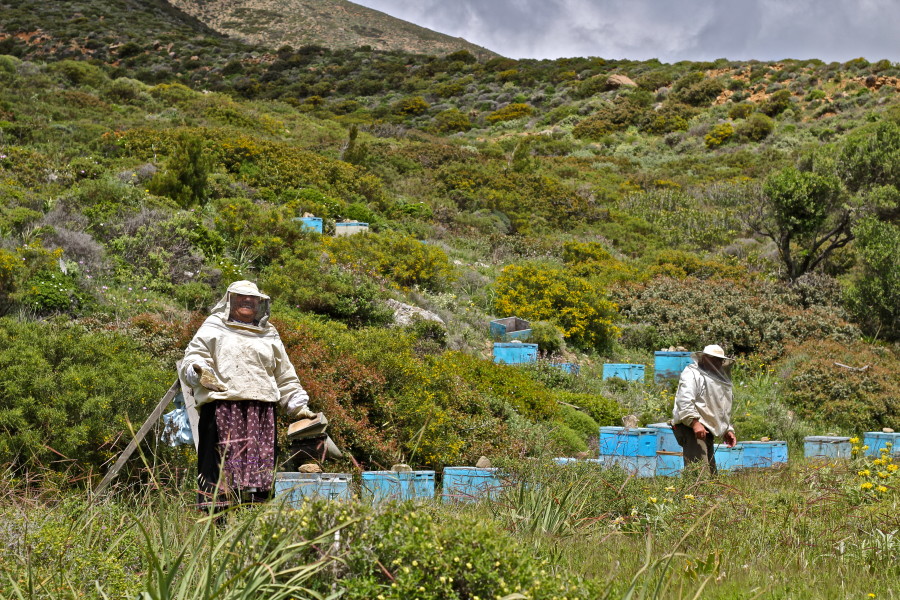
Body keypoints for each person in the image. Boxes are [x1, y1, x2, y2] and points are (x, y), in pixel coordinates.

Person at [180, 280, 315, 509]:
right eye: (242, 298)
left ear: (259, 304)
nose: (248, 302)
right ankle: (216, 530)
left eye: (252, 299)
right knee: (219, 473)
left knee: (259, 476)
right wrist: (200, 370)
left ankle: (252, 526)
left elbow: (284, 374)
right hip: (223, 408)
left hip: (261, 412)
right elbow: (194, 356)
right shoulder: (214, 326)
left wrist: (298, 404)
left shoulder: (268, 333)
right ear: (230, 301)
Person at [671, 344, 737, 475]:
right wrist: (695, 423)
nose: (716, 362)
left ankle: (704, 495)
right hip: (691, 428)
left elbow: (720, 408)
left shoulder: (717, 379)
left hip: (706, 430)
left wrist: (727, 429)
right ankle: (694, 495)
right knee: (698, 474)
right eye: (713, 358)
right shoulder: (692, 373)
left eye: (719, 360)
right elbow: (684, 400)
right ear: (704, 358)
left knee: (711, 474)